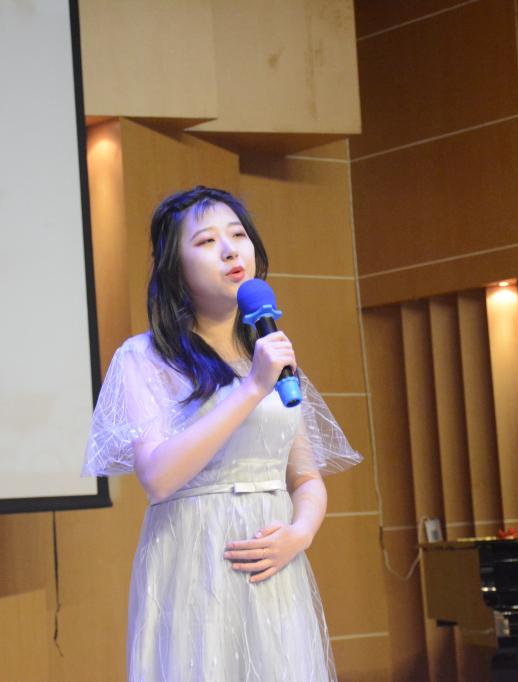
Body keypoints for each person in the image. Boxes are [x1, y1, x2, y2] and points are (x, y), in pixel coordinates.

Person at [82, 186, 363, 681]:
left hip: (275, 568)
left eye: (238, 235)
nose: (231, 251)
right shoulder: (143, 358)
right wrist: (252, 387)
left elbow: (305, 478)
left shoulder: (270, 350)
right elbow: (158, 478)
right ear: (175, 267)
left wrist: (299, 534)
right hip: (194, 561)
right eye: (207, 241)